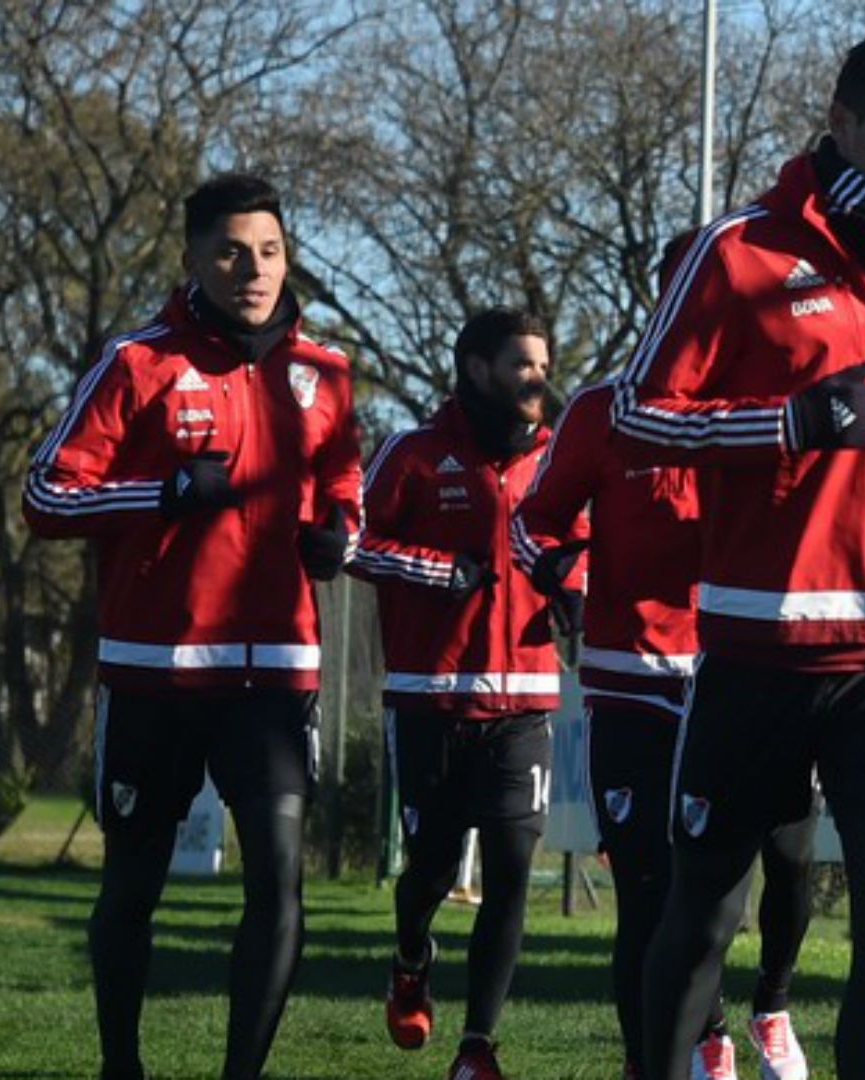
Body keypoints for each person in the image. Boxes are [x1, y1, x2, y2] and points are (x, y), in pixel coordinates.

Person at [612, 27, 865, 1080]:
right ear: (843, 125)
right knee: (702, 920)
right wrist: (782, 428)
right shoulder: (738, 252)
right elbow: (641, 420)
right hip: (762, 652)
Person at [23, 173, 360, 1080]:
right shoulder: (137, 361)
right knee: (132, 887)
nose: (252, 269)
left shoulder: (325, 372)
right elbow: (47, 493)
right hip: (154, 673)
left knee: (279, 884)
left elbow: (345, 493)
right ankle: (120, 1067)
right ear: (192, 259)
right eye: (230, 251)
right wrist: (161, 493)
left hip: (277, 675)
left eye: (270, 251)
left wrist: (341, 535)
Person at [514, 373, 817, 1080]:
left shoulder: (773, 400)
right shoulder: (603, 409)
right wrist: (562, 568)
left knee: (791, 852)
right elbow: (533, 520)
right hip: (633, 679)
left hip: (750, 668)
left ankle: (771, 1005)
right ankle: (683, 1044)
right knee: (650, 888)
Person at [348, 308, 572, 1080]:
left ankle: (478, 1046)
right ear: (476, 369)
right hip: (431, 699)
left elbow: (587, 546)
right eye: (522, 364)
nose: (538, 378)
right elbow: (349, 541)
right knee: (433, 870)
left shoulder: (557, 458)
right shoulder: (412, 454)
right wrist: (435, 571)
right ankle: (411, 957)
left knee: (511, 863)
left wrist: (573, 585)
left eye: (543, 363)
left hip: (526, 701)